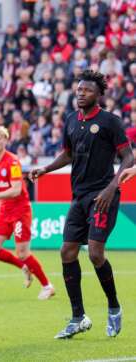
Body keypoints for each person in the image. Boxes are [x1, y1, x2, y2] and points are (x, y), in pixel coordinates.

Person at [29, 69, 133, 339]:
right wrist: (45, 169)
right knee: (66, 252)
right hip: (79, 196)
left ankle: (114, 308)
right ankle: (78, 317)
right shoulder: (71, 120)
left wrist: (113, 187)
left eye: (86, 90)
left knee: (96, 253)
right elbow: (68, 154)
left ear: (99, 95)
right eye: (78, 90)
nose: (80, 93)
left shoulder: (110, 122)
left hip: (103, 195)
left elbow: (128, 157)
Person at [0, 126, 55, 300]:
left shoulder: (13, 162)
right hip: (4, 211)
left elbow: (15, 190)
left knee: (23, 252)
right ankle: (23, 266)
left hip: (20, 211)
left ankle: (47, 286)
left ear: (5, 140)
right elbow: (0, 184)